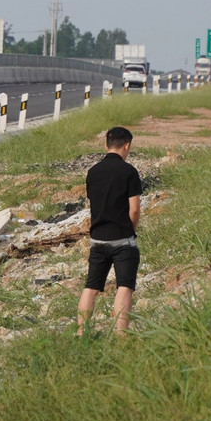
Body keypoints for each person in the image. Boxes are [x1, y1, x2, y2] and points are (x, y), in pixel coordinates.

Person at [77, 126, 143, 336]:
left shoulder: (93, 172)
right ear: (127, 146)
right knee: (124, 286)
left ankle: (81, 333)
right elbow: (134, 209)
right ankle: (121, 336)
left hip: (97, 239)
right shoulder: (129, 172)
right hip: (122, 240)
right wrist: (130, 231)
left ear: (106, 145)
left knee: (91, 287)